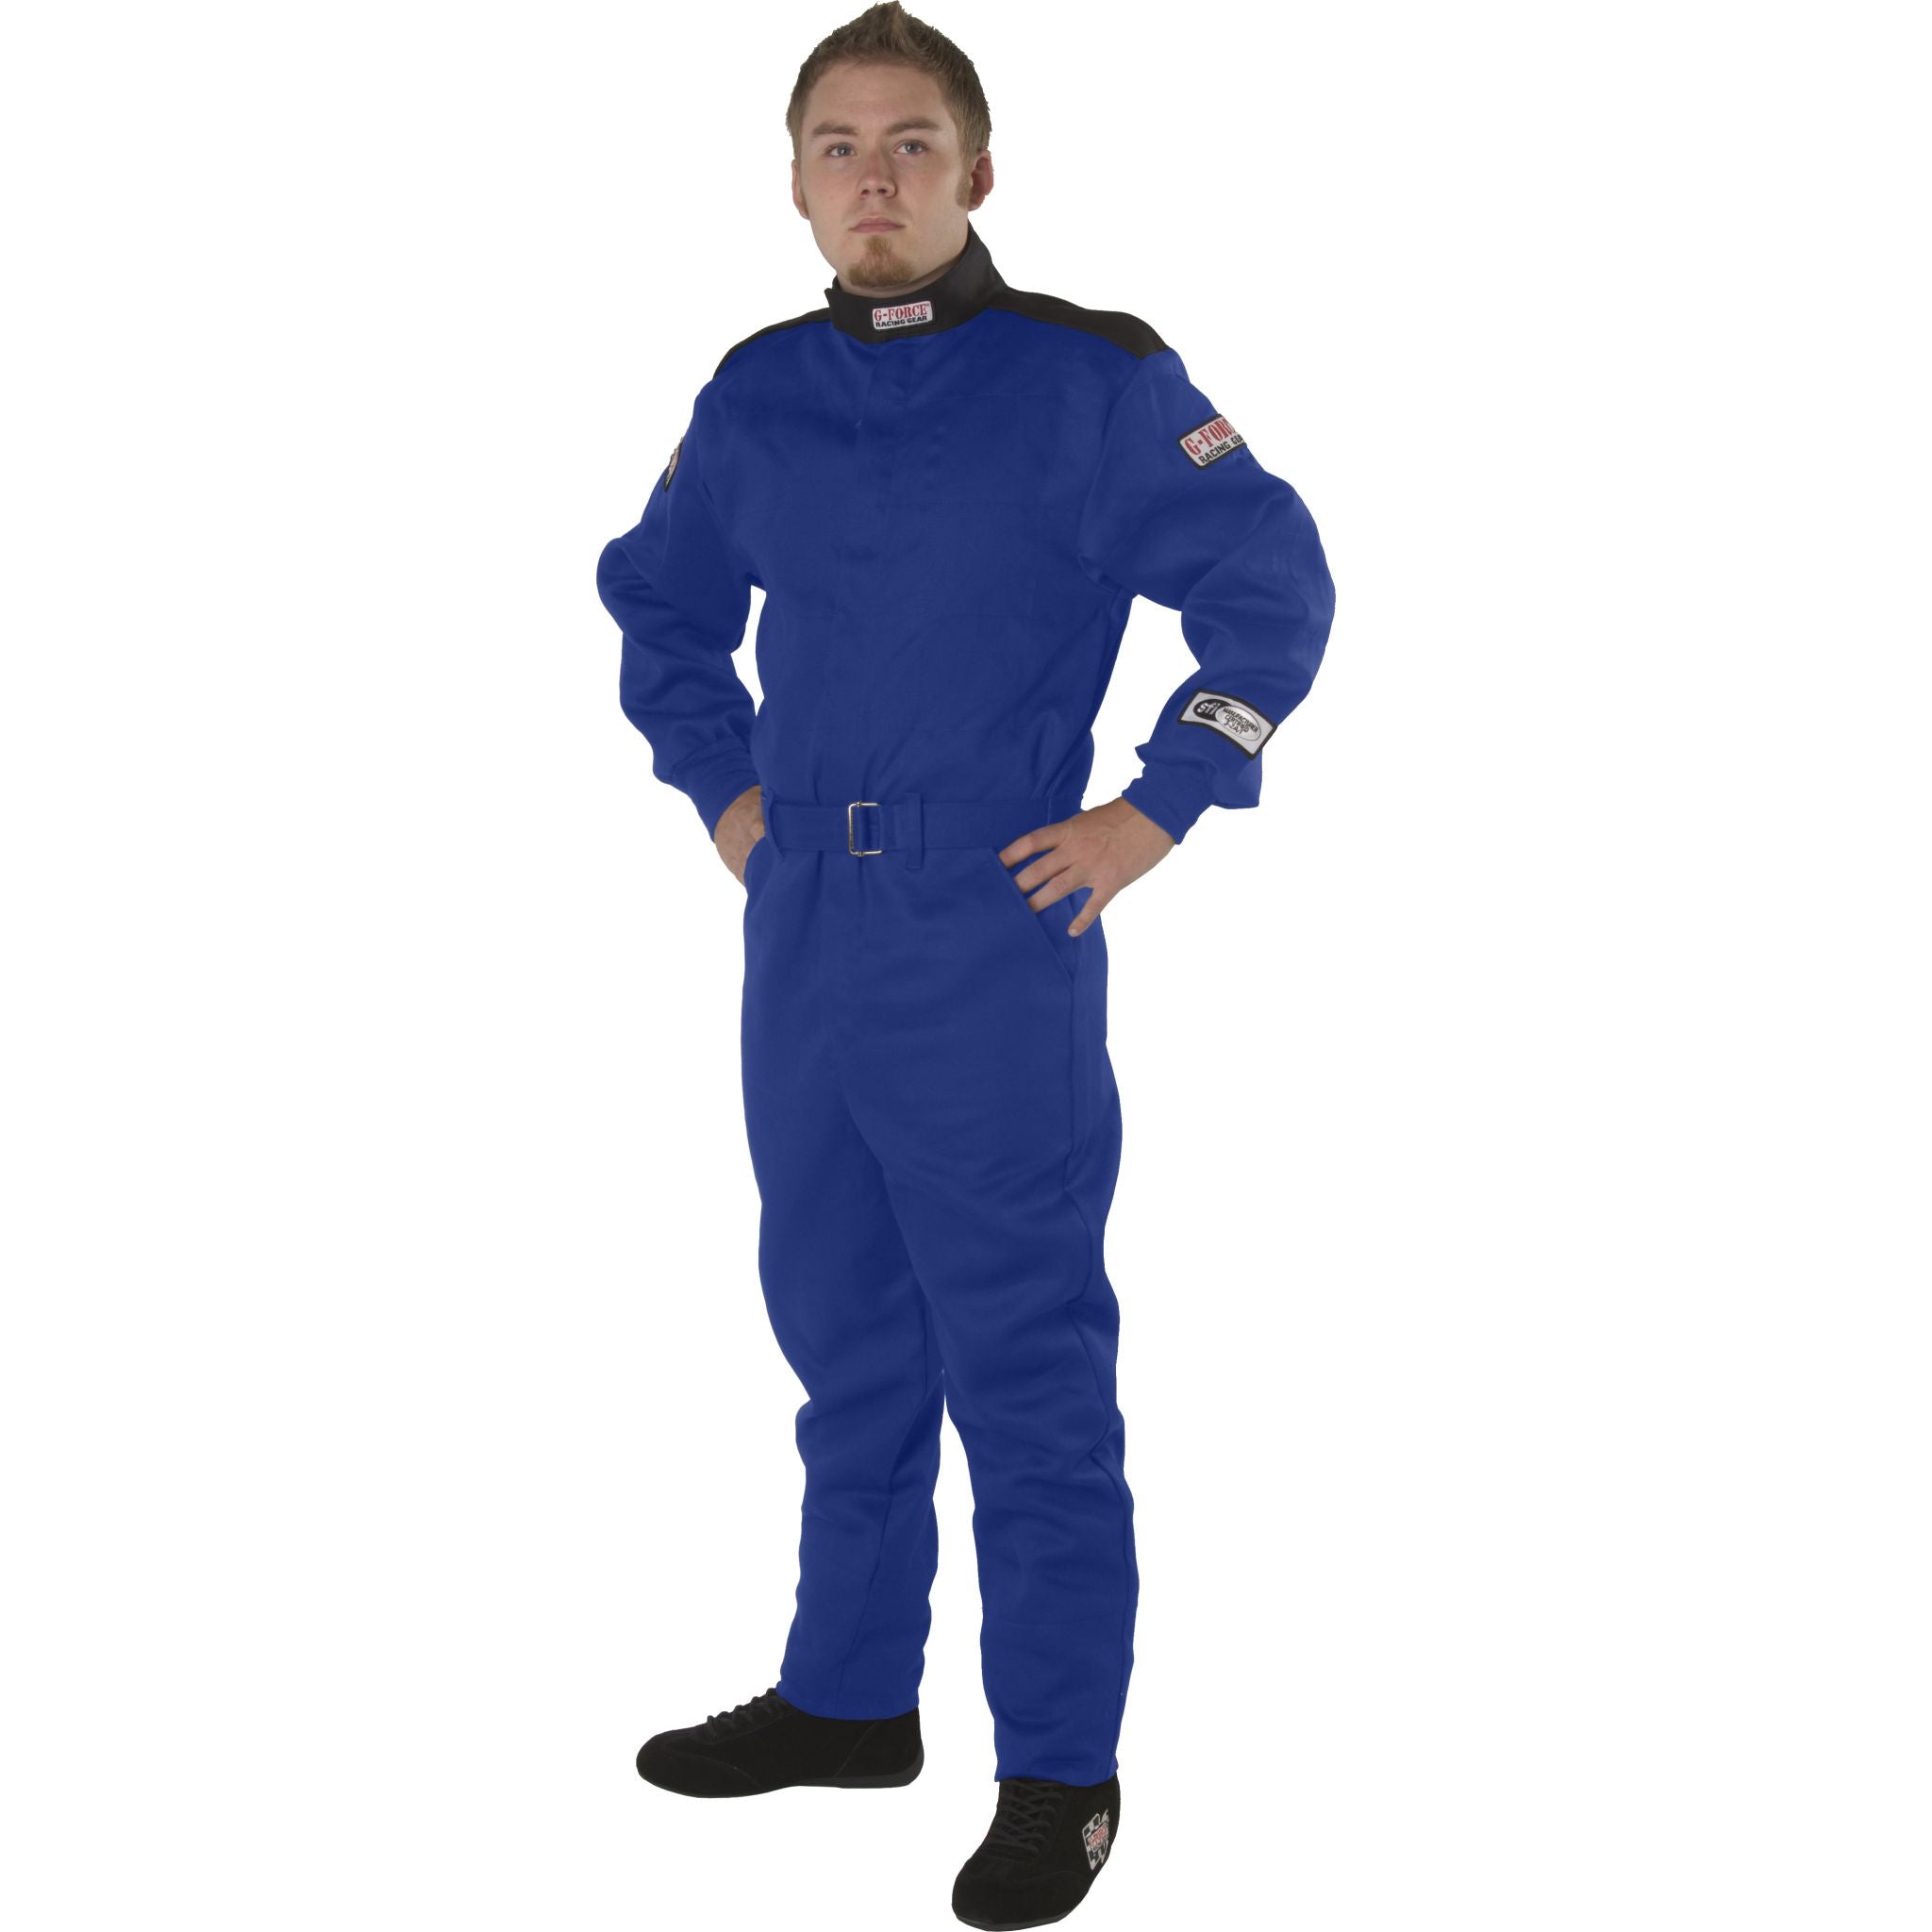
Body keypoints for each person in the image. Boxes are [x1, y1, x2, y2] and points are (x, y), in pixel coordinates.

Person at [593, 6, 1335, 1924]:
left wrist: (1156, 809)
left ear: (978, 171)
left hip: (992, 921)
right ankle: (849, 1698)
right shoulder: (758, 393)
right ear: (793, 182)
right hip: (802, 925)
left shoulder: (1091, 382)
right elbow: (658, 602)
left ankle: (1061, 1771)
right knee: (841, 1329)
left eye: (910, 144)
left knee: (1020, 1359)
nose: (874, 179)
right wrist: (724, 797)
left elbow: (1273, 587)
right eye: (836, 147)